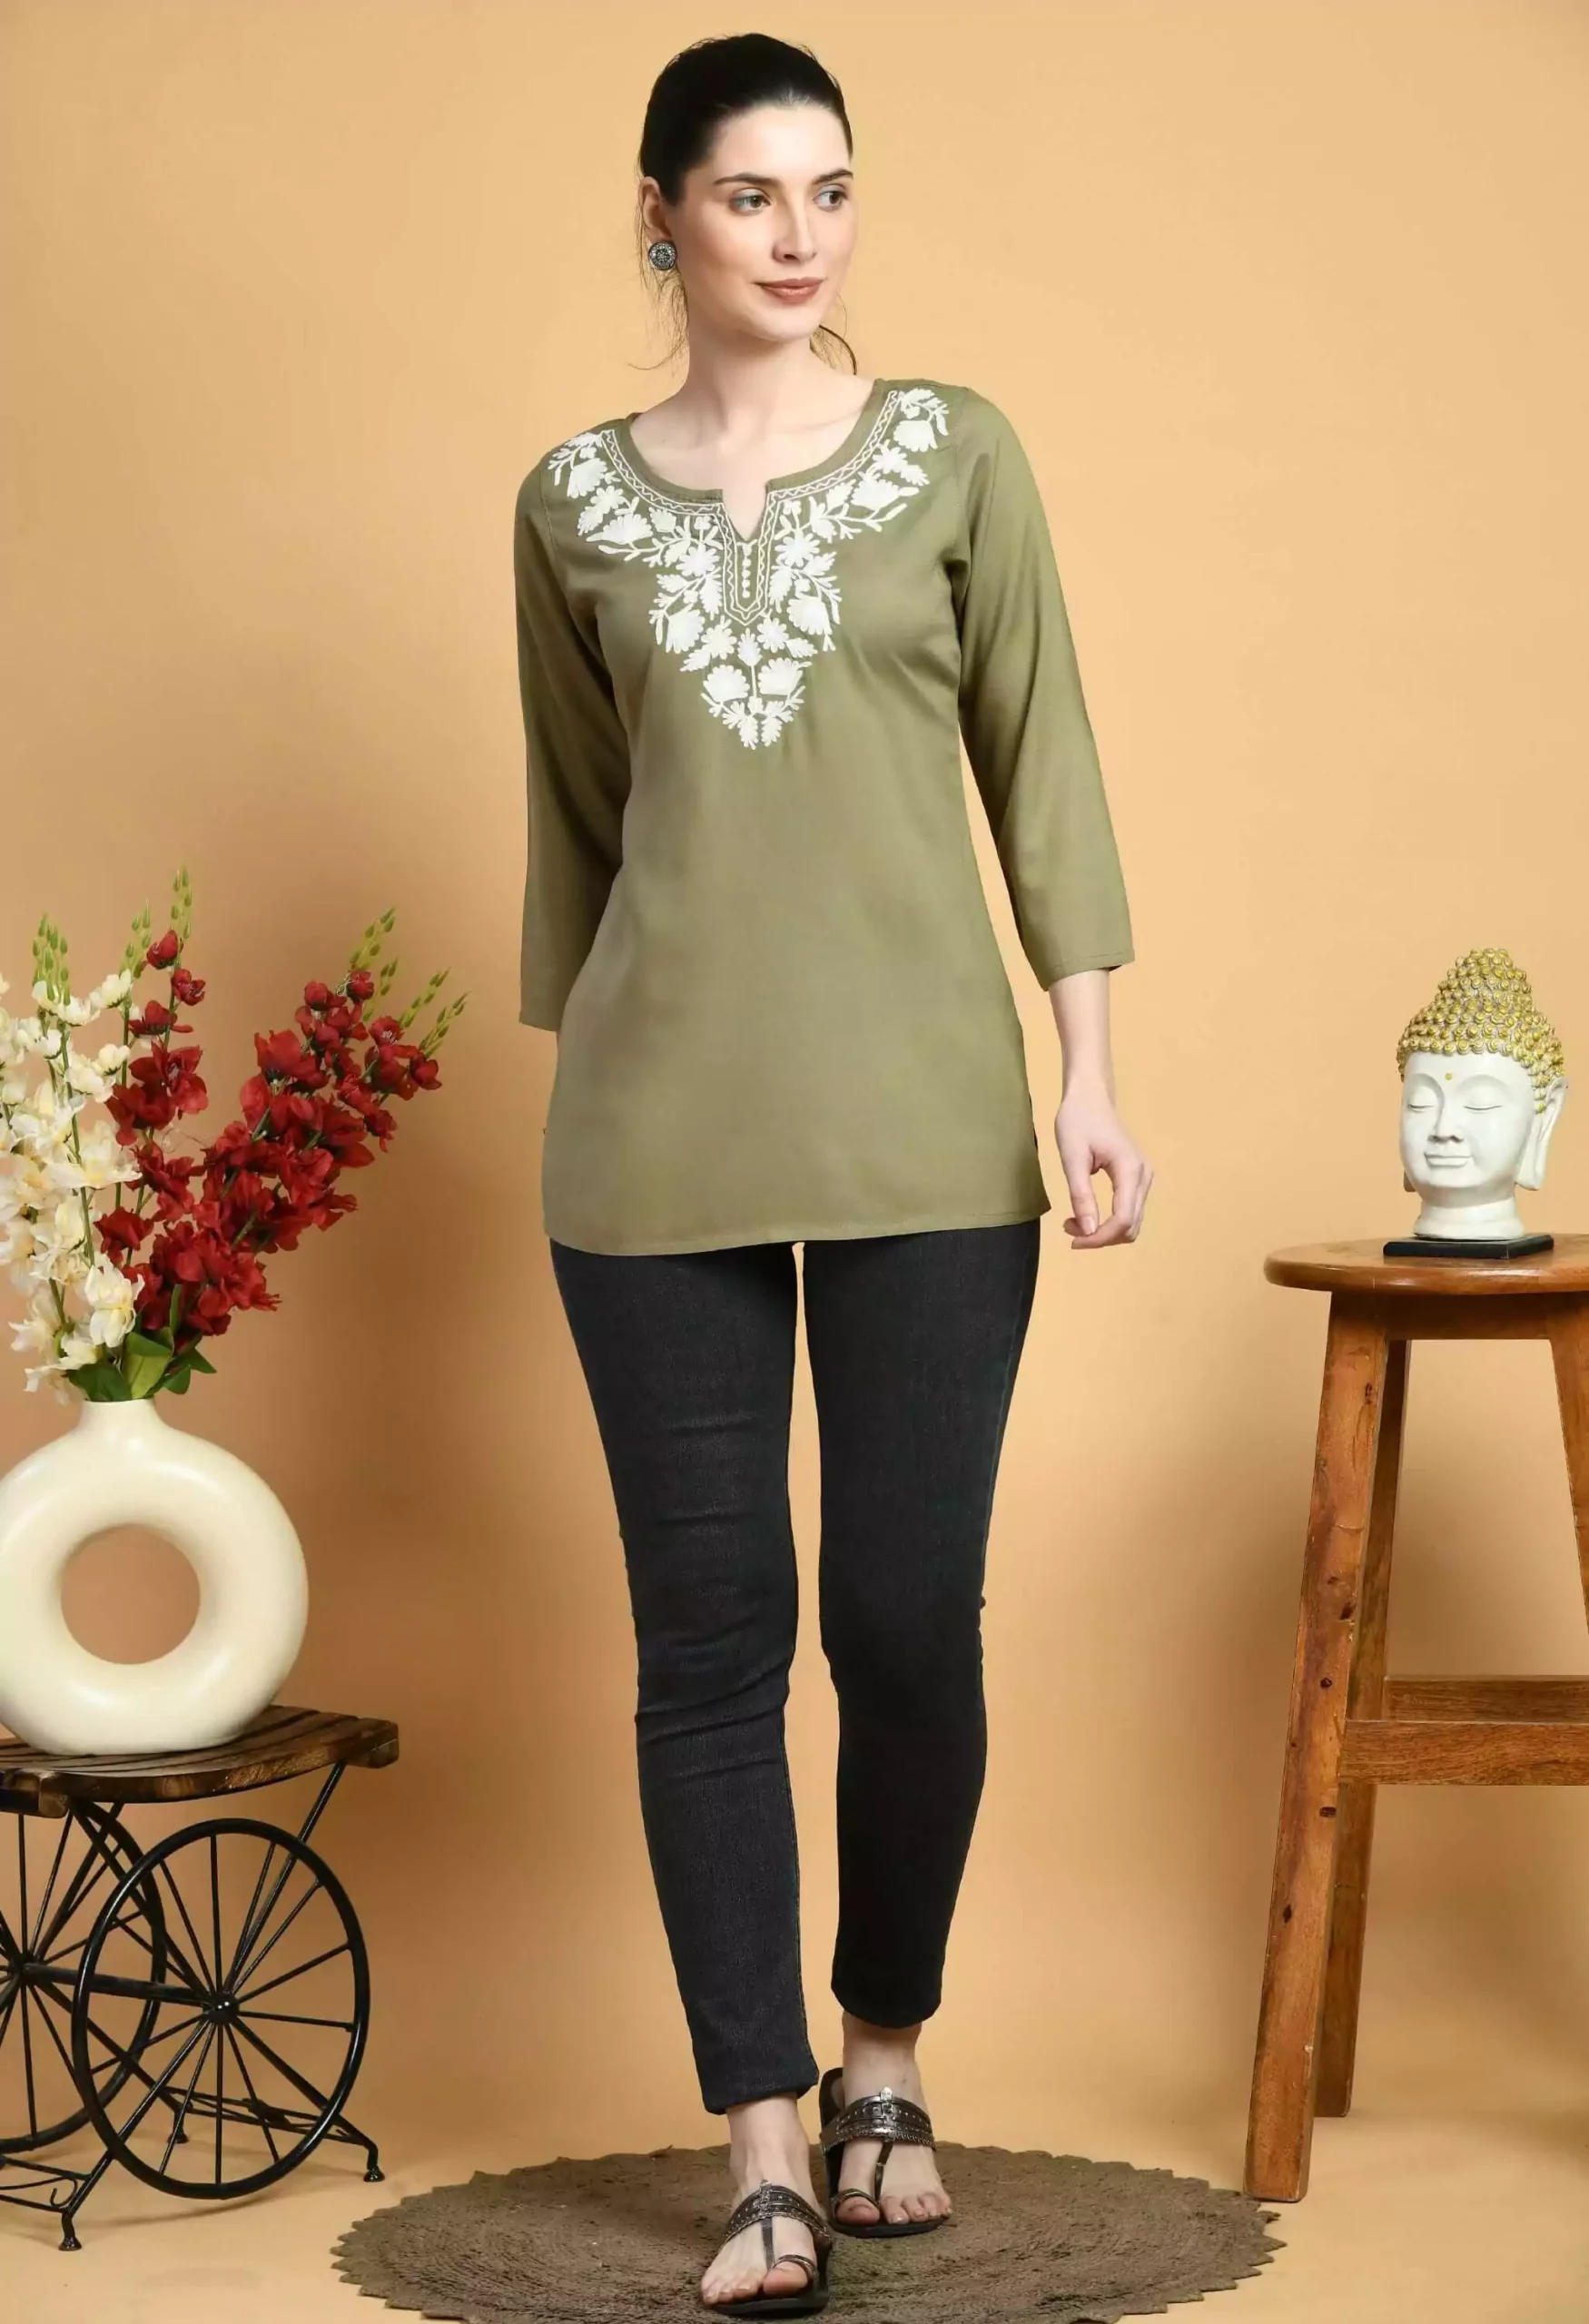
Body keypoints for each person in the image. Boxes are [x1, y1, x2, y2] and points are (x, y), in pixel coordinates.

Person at [512, 32, 1152, 2317]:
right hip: (651, 1147)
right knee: (708, 1641)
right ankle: (764, 2142)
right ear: (661, 216)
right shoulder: (568, 504)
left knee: (898, 1618)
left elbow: (1040, 759)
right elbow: (580, 826)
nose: (799, 238)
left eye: (832, 191)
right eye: (750, 194)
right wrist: (604, 1059)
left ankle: (884, 2051)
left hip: (926, 1133)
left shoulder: (953, 455)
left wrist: (1085, 1071)